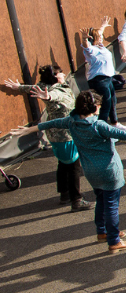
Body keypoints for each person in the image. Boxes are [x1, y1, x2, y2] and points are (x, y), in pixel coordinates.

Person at [11, 91, 126, 251]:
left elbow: (50, 123)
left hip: (91, 171)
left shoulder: (72, 122)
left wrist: (28, 130)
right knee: (111, 205)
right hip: (109, 171)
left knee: (101, 200)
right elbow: (123, 135)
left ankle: (102, 232)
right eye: (98, 105)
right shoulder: (98, 125)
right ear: (94, 107)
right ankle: (114, 240)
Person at [1, 65, 89, 210]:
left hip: (55, 135)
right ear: (55, 76)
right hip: (65, 136)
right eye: (60, 73)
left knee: (63, 164)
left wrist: (18, 87)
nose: (63, 74)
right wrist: (47, 97)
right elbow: (55, 96)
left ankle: (65, 194)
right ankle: (77, 200)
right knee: (73, 167)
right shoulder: (55, 90)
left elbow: (33, 87)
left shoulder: (46, 85)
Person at [81, 18, 125, 129]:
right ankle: (102, 128)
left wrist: (103, 26)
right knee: (105, 104)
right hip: (99, 80)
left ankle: (114, 124)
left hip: (108, 79)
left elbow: (99, 32)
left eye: (101, 37)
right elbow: (86, 45)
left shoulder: (101, 47)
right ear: (93, 39)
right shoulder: (92, 50)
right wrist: (84, 38)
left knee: (112, 101)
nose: (101, 38)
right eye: (98, 37)